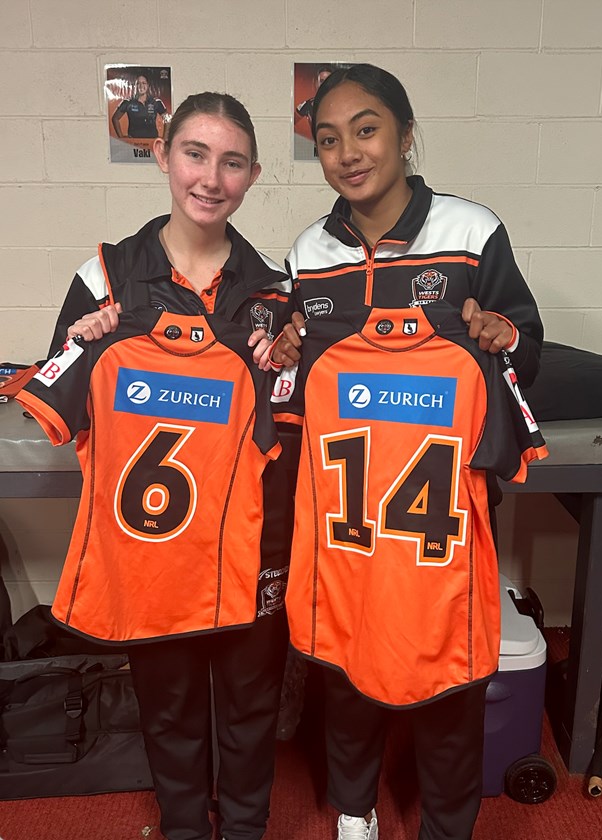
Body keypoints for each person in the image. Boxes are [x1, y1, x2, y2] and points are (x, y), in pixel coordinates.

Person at [271, 64, 545, 840]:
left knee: (448, 677)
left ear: (404, 133)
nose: (348, 153)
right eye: (327, 140)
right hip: (348, 520)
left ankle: (447, 824)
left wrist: (504, 335)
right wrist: (289, 349)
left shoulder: (468, 231)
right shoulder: (308, 251)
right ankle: (353, 815)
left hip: (438, 522)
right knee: (347, 672)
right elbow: (301, 374)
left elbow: (523, 347)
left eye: (365, 130)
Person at [49, 91, 296, 840]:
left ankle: (246, 827)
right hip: (154, 546)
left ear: (251, 175)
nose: (209, 178)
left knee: (253, 701)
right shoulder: (105, 279)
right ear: (162, 155)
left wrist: (289, 360)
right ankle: (186, 825)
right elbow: (62, 390)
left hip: (255, 541)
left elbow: (296, 420)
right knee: (169, 701)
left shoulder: (275, 293)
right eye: (194, 154)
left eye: (230, 162)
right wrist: (85, 341)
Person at [111, 71, 168, 139]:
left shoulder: (156, 102)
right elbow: (115, 118)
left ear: (148, 85)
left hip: (152, 143)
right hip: (134, 144)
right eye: (138, 83)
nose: (141, 86)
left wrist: (165, 139)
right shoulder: (128, 102)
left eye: (144, 83)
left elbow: (168, 119)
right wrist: (121, 137)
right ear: (134, 86)